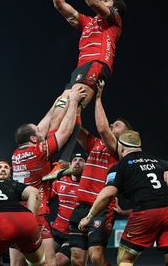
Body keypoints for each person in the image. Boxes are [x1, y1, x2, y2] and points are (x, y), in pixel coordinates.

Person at [41, 0, 126, 180]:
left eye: (107, 0)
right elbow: (60, 6)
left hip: (96, 65)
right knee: (58, 112)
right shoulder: (87, 23)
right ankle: (44, 159)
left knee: (74, 107)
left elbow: (93, 1)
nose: (103, 1)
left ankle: (62, 162)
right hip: (80, 69)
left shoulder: (113, 20)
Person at [79, 130, 168, 266]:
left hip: (146, 213)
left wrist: (89, 216)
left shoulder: (119, 167)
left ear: (121, 148)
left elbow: (108, 193)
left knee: (125, 260)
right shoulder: (156, 161)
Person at [11, 89, 86, 266]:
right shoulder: (39, 151)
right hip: (35, 214)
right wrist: (73, 102)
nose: (41, 130)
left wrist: (57, 102)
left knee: (16, 265)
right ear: (33, 138)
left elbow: (44, 125)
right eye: (37, 131)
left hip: (14, 214)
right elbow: (66, 131)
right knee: (49, 263)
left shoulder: (16, 154)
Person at [66, 85, 132, 266]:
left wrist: (97, 97)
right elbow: (76, 129)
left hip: (101, 208)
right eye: (112, 124)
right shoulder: (95, 144)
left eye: (117, 125)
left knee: (96, 257)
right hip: (80, 207)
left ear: (126, 134)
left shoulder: (119, 150)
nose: (112, 126)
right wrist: (75, 104)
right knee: (77, 259)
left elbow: (103, 128)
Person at [50, 153, 85, 266]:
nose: (77, 162)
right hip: (56, 231)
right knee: (40, 260)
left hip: (73, 234)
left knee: (58, 262)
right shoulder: (60, 181)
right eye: (74, 160)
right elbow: (46, 199)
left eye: (81, 160)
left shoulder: (89, 185)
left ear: (87, 165)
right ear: (70, 164)